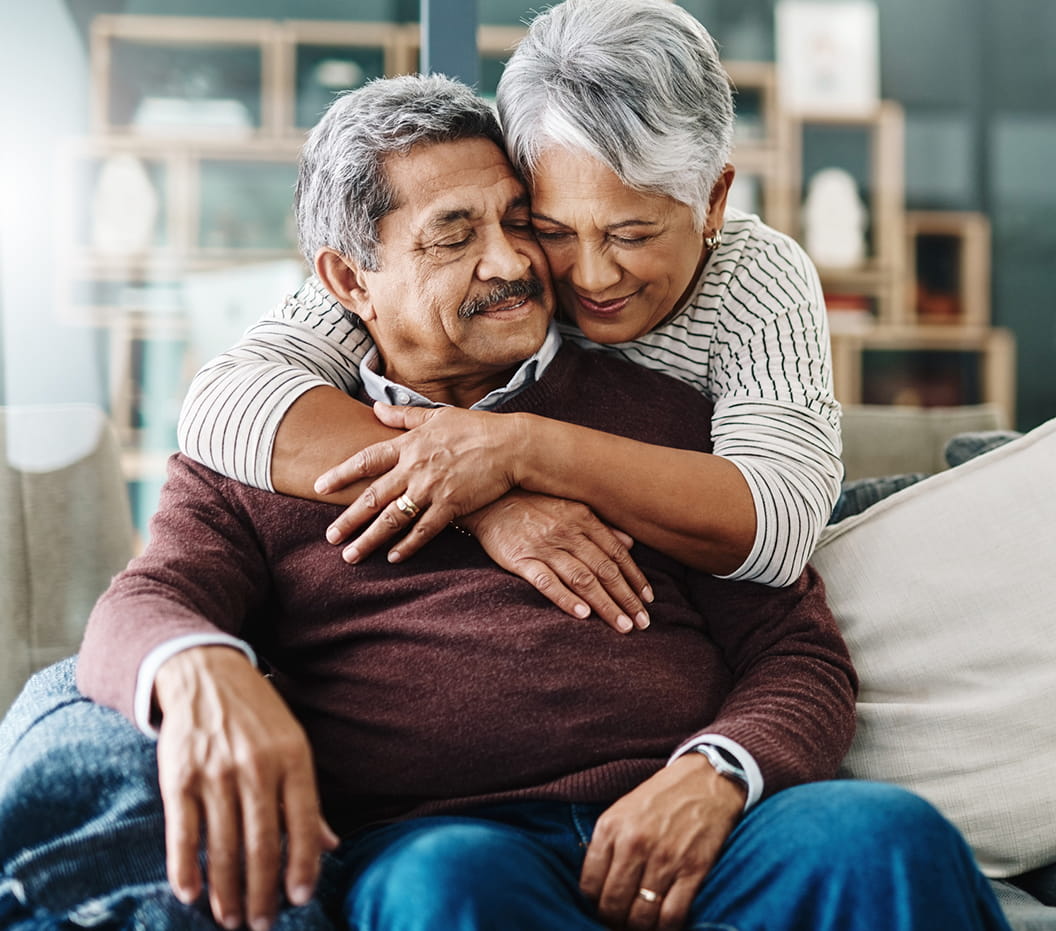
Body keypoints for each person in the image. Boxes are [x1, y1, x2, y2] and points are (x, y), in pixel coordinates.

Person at [64, 75, 1009, 931]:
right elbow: (138, 607)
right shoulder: (267, 449)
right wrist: (199, 672)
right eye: (454, 234)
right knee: (449, 887)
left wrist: (716, 773)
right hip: (453, 841)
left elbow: (796, 649)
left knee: (884, 835)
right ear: (351, 280)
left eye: (521, 222)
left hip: (695, 830)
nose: (513, 263)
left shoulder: (660, 420)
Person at [177, 0, 842, 635]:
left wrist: (520, 449)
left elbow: (780, 527)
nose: (589, 275)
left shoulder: (757, 278)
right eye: (549, 228)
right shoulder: (478, 267)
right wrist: (483, 496)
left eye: (632, 234)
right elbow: (221, 404)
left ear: (715, 200)